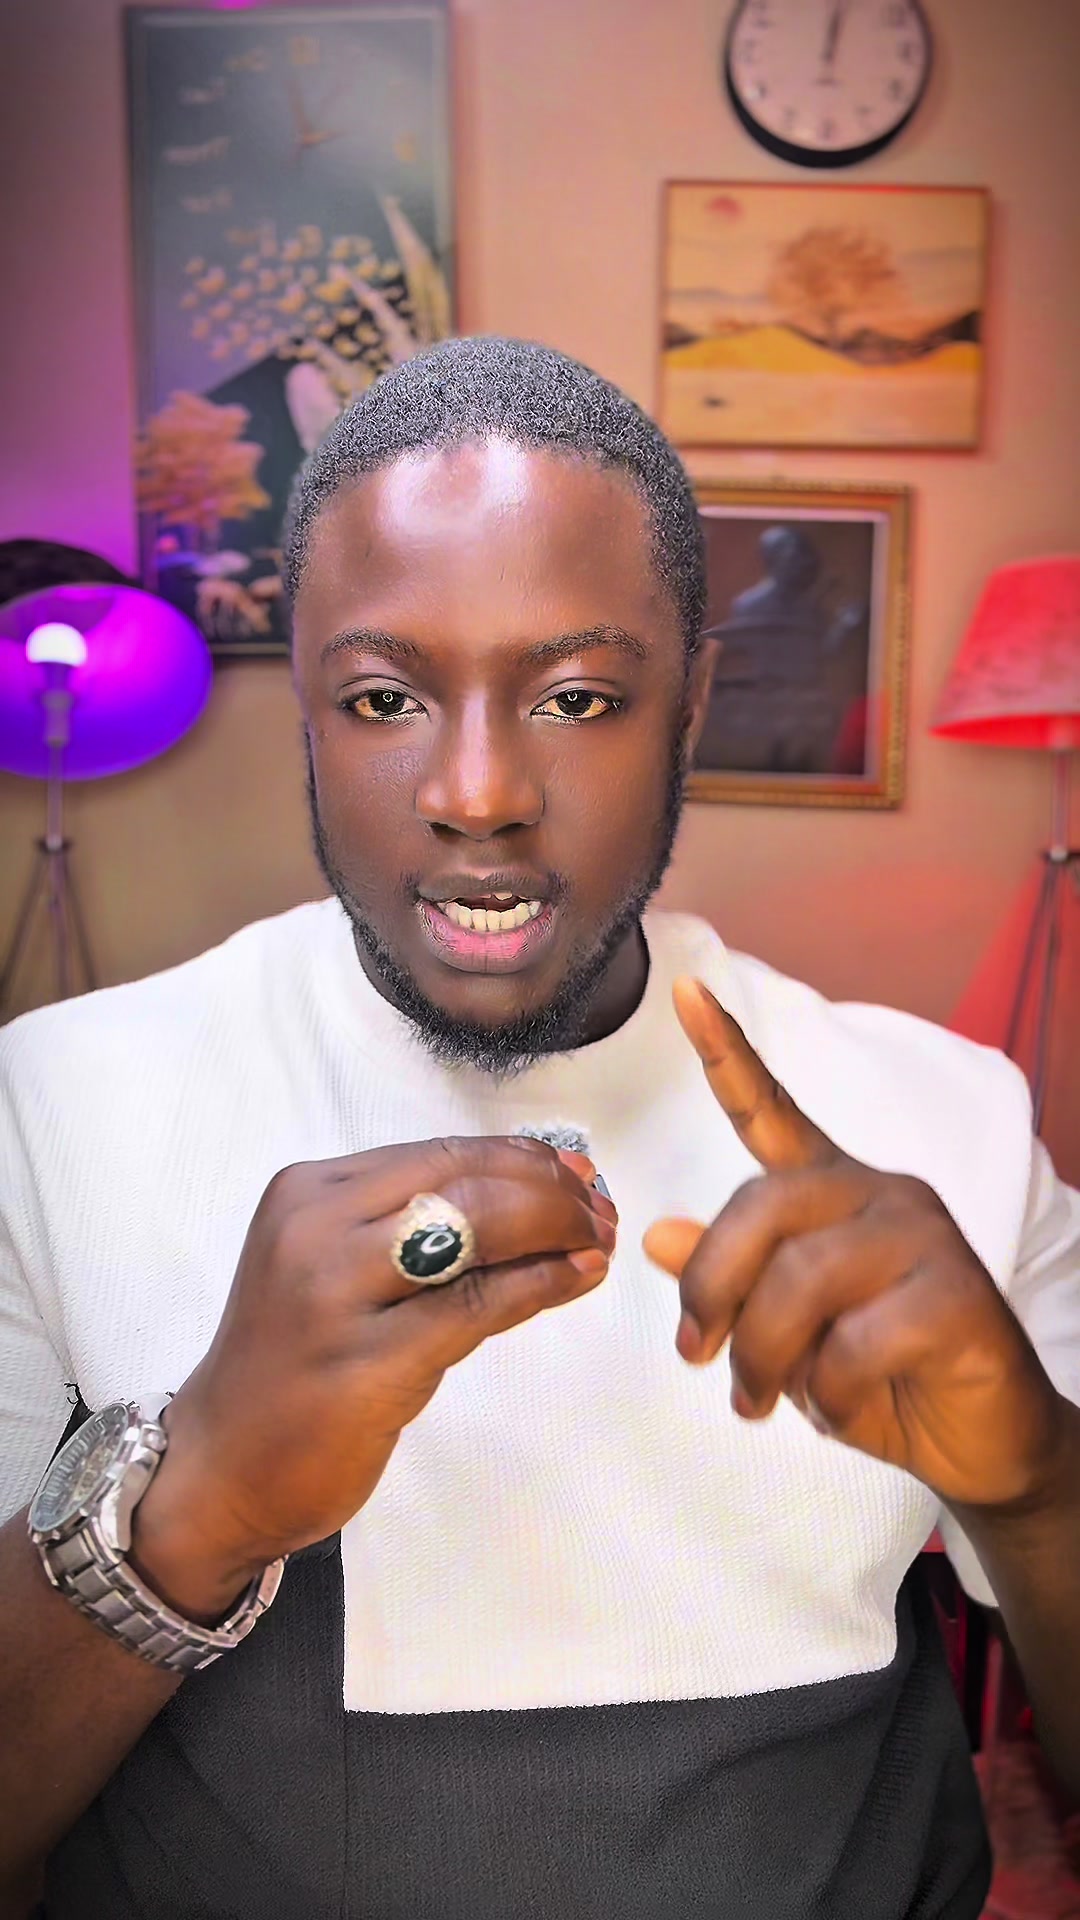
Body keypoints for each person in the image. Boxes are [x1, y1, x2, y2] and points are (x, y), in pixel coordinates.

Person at [0, 336, 1077, 1920]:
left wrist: (1040, 1490)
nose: (478, 791)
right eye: (383, 697)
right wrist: (201, 1500)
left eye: (577, 697)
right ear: (307, 715)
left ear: (690, 706)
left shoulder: (945, 1125)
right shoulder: (56, 1105)